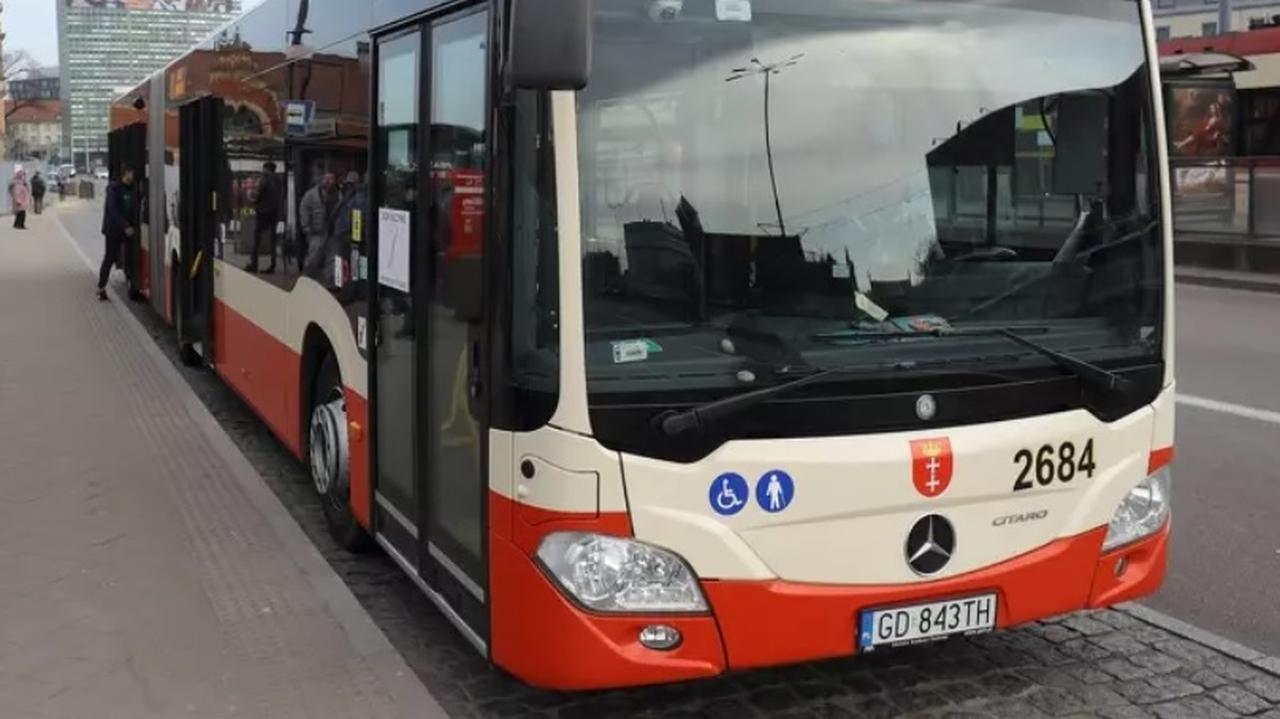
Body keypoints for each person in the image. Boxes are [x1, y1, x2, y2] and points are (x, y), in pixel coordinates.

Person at [98, 165, 138, 302]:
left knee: (132, 257)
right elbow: (112, 210)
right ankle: (101, 288)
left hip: (128, 230)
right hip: (113, 230)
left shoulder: (132, 189)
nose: (133, 176)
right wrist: (125, 226)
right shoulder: (114, 189)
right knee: (109, 258)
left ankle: (132, 283)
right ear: (126, 173)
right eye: (131, 173)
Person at [300, 172, 338, 280]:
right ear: (322, 180)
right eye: (326, 179)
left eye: (331, 179)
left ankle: (330, 277)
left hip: (332, 230)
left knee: (332, 256)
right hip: (316, 230)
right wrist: (306, 225)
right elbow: (304, 210)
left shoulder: (338, 194)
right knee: (314, 254)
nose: (328, 182)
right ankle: (308, 276)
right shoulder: (311, 194)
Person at [246, 161, 281, 274]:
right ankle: (272, 265)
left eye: (263, 168)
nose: (262, 170)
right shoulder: (278, 180)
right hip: (274, 213)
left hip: (263, 212)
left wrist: (250, 197)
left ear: (266, 169)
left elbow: (256, 195)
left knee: (257, 239)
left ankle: (254, 264)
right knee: (273, 240)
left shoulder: (263, 179)